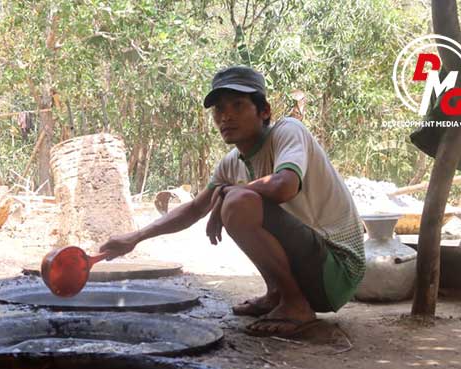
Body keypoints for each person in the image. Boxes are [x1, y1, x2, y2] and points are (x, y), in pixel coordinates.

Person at [100, 66, 365, 337]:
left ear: (264, 111)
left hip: (337, 267)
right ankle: (278, 294)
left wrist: (227, 194)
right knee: (236, 199)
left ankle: (295, 305)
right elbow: (193, 209)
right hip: (311, 269)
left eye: (238, 106)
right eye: (218, 110)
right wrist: (134, 238)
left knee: (239, 202)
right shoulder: (231, 163)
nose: (225, 116)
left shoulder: (287, 131)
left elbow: (285, 186)